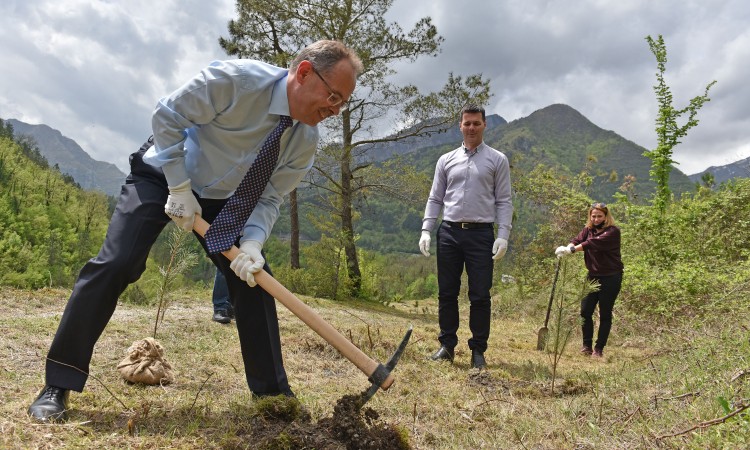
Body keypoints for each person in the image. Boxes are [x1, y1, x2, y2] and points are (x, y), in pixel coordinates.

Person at [27, 40, 363, 422]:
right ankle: (58, 384)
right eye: (333, 96)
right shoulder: (235, 81)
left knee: (255, 282)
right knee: (116, 263)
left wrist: (252, 243)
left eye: (342, 103)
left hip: (223, 199)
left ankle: (274, 400)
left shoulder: (304, 139)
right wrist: (179, 188)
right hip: (164, 175)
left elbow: (269, 197)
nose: (334, 110)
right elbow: (168, 116)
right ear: (304, 73)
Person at [418, 104, 513, 369]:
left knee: (480, 294)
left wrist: (503, 234)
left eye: (476, 123)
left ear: (484, 125)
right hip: (448, 232)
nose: (471, 128)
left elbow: (504, 200)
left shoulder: (497, 160)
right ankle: (447, 345)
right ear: (460, 125)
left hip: (481, 234)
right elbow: (435, 197)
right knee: (446, 292)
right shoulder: (446, 160)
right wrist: (427, 228)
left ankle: (478, 351)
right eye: (467, 123)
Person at [555, 202, 624, 359]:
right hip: (592, 275)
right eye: (593, 216)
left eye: (599, 216)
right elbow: (578, 239)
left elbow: (591, 244)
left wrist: (571, 250)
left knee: (605, 313)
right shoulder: (588, 229)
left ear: (606, 216)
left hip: (611, 277)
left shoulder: (613, 231)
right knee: (585, 311)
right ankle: (586, 345)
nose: (596, 218)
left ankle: (599, 349)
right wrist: (567, 247)